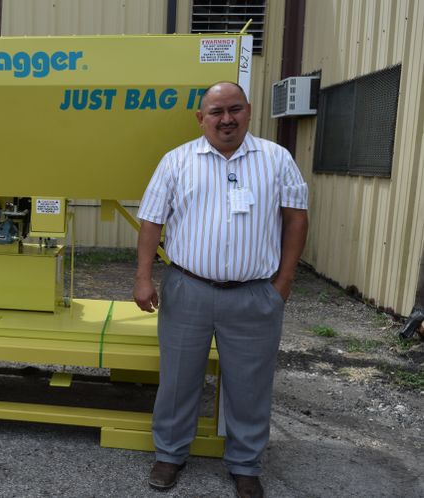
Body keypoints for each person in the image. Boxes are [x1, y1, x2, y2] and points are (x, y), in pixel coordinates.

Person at [133, 81, 308, 498]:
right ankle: (170, 454)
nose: (226, 119)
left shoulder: (277, 159)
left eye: (234, 109)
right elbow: (151, 222)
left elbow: (296, 219)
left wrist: (282, 284)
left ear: (248, 111)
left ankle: (246, 464)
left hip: (254, 295)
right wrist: (143, 277)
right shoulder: (177, 162)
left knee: (250, 384)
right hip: (188, 289)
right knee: (178, 379)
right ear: (201, 118)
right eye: (216, 111)